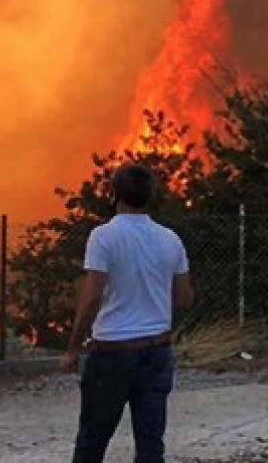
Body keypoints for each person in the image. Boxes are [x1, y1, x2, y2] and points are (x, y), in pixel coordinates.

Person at [61, 163, 194, 463]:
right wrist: (154, 301)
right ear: (151, 196)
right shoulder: (171, 239)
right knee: (150, 444)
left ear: (114, 194)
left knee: (92, 440)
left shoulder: (103, 237)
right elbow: (185, 299)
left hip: (111, 353)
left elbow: (92, 297)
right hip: (158, 350)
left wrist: (72, 348)